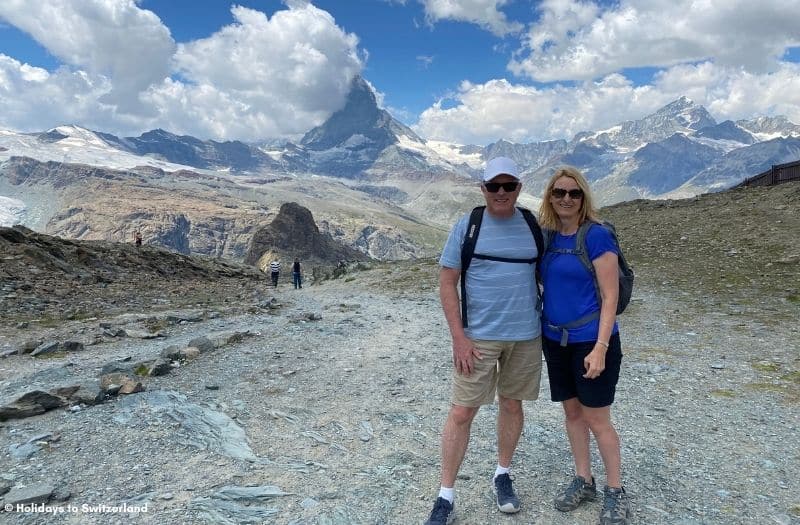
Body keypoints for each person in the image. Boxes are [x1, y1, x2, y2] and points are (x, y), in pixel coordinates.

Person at [424, 157, 543, 525]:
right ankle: (445, 495)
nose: (502, 192)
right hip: (478, 338)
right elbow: (447, 282)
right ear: (484, 189)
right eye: (494, 186)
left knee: (512, 405)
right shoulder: (468, 226)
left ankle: (502, 474)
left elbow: (544, 275)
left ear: (519, 188)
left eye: (509, 186)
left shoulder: (532, 225)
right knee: (462, 412)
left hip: (526, 337)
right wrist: (458, 338)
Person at [537, 166, 630, 525]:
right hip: (555, 340)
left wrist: (602, 346)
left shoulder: (597, 236)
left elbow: (611, 296)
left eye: (573, 193)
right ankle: (584, 479)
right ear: (549, 196)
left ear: (583, 198)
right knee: (572, 414)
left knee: (597, 418)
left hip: (592, 341)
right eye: (559, 192)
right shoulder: (548, 237)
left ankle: (615, 491)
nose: (566, 199)